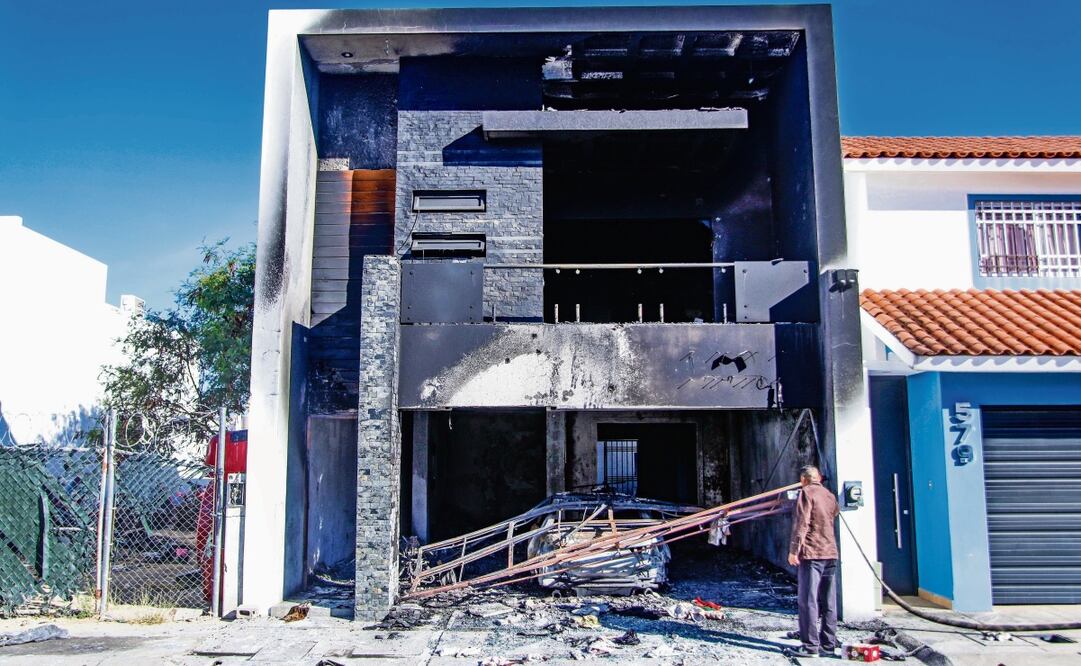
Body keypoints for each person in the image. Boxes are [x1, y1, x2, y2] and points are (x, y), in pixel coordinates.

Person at [787, 465, 840, 658]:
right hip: (831, 553)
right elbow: (833, 515)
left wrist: (794, 550)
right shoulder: (830, 495)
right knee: (829, 600)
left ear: (803, 479)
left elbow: (802, 523)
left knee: (808, 600)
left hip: (812, 553)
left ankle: (809, 647)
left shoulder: (806, 493)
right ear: (819, 478)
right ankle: (828, 644)